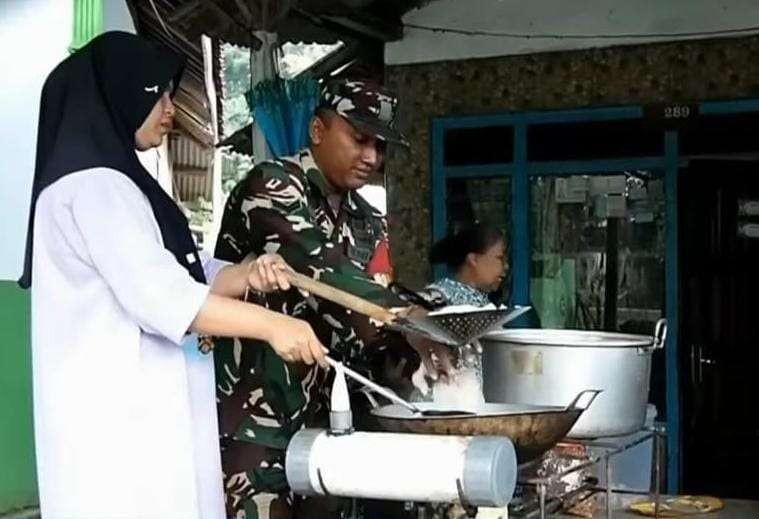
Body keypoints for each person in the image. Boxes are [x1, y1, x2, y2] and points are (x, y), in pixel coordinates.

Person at [19, 31, 326, 519]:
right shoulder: (96, 188)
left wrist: (249, 274)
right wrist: (276, 326)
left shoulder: (118, 183)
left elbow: (177, 274)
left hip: (144, 417)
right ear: (119, 93)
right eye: (157, 95)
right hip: (123, 426)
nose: (170, 109)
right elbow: (164, 298)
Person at [213, 78, 453, 518]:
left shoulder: (366, 219)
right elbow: (321, 269)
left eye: (380, 146)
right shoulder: (272, 187)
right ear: (318, 131)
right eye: (359, 139)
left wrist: (420, 357)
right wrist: (410, 319)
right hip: (256, 423)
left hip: (328, 426)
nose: (371, 157)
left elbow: (367, 316)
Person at [426, 222, 509, 306]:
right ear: (473, 259)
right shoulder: (437, 298)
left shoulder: (487, 301)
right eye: (500, 258)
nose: (506, 266)